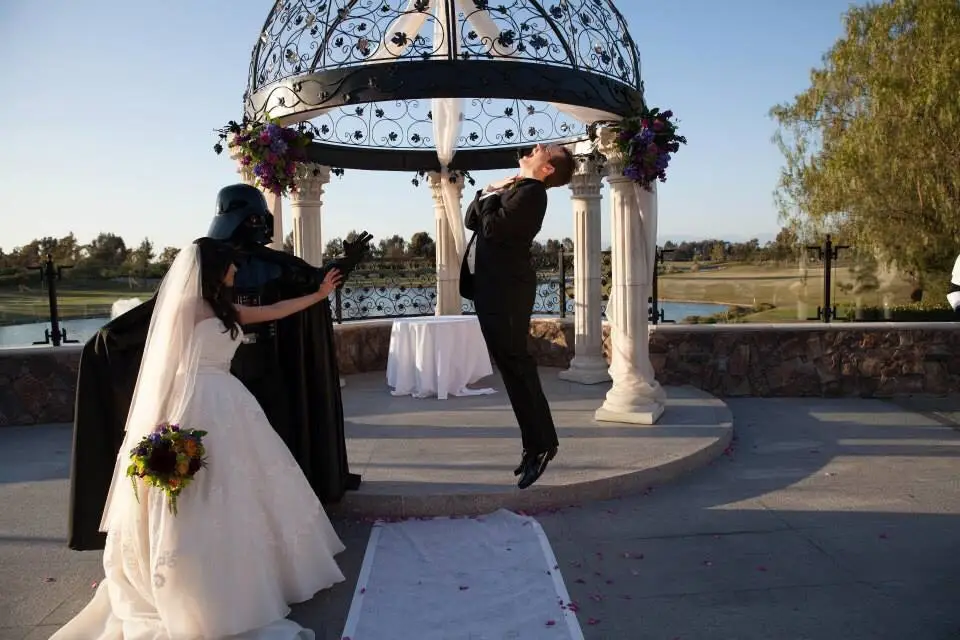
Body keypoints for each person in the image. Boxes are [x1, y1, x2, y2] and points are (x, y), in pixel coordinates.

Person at [52, 238, 347, 640]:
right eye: (231, 265)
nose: (236, 271)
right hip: (192, 403)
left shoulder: (224, 307)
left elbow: (274, 310)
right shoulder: (184, 309)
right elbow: (162, 367)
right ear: (213, 267)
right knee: (198, 490)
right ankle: (196, 583)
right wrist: (158, 428)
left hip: (232, 403)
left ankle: (256, 575)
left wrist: (319, 295)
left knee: (246, 485)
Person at [67, 184, 372, 551]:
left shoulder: (253, 283)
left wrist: (330, 281)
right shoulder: (190, 296)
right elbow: (159, 335)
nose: (235, 269)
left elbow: (291, 294)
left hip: (253, 378)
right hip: (204, 392)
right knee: (207, 469)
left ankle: (256, 534)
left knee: (256, 460)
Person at [459, 143, 575, 489]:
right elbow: (471, 220)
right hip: (490, 290)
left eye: (544, 149)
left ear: (547, 169)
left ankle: (542, 445)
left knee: (518, 366)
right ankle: (534, 445)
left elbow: (491, 227)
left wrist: (492, 193)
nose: (536, 146)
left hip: (506, 293)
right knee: (512, 368)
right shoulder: (518, 189)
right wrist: (487, 191)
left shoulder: (533, 193)